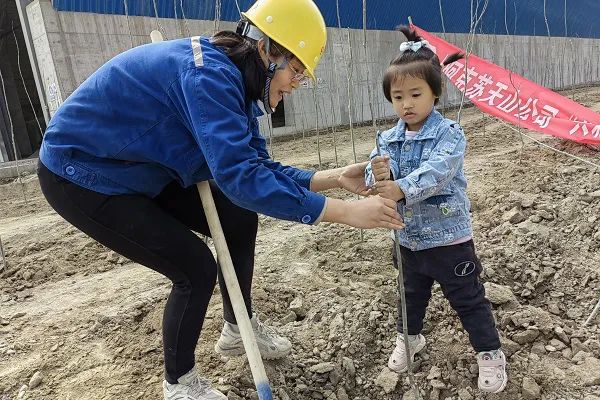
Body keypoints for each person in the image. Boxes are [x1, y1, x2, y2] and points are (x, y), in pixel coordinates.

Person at [36, 0, 404, 399]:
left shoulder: (236, 84)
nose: (296, 84)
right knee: (194, 267)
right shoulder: (208, 80)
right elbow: (240, 178)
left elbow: (256, 166)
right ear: (267, 50)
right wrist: (347, 213)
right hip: (83, 173)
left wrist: (332, 178)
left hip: (143, 163)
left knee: (237, 218)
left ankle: (237, 326)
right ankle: (179, 383)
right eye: (296, 70)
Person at [365, 26, 507, 394]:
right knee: (409, 296)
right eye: (398, 97)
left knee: (468, 298)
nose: (406, 104)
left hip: (448, 241)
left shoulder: (450, 133)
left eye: (416, 94)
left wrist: (400, 187)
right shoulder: (387, 138)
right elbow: (373, 170)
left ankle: (490, 353)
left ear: (435, 92)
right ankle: (409, 339)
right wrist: (375, 174)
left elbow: (437, 173)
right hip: (407, 240)